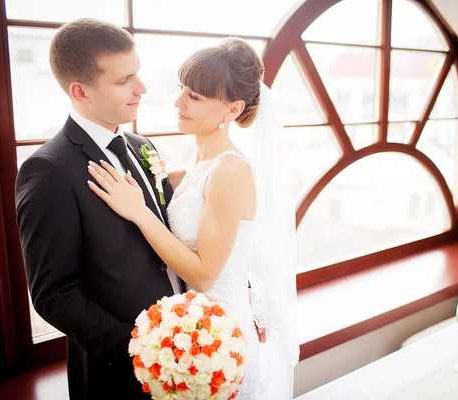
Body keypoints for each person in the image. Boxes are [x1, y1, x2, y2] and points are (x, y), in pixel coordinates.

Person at [87, 37, 300, 399]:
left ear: (232, 109)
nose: (178, 103)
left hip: (218, 340)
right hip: (192, 329)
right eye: (181, 89)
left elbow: (203, 274)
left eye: (195, 97)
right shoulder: (196, 166)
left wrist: (139, 213)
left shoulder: (230, 170)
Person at [14, 18, 184, 399]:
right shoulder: (48, 170)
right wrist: (141, 348)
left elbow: (173, 239)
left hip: (188, 353)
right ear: (80, 91)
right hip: (119, 374)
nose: (142, 88)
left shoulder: (144, 147)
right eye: (124, 80)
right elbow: (53, 294)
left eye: (137, 74)